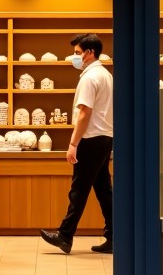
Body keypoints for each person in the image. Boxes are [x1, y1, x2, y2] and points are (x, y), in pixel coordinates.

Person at [40, 33, 114, 255]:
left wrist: (73, 144)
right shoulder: (106, 75)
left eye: (77, 53)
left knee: (78, 189)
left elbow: (84, 112)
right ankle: (115, 236)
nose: (74, 57)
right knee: (103, 190)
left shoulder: (90, 77)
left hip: (90, 139)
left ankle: (65, 235)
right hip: (105, 137)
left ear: (90, 52)